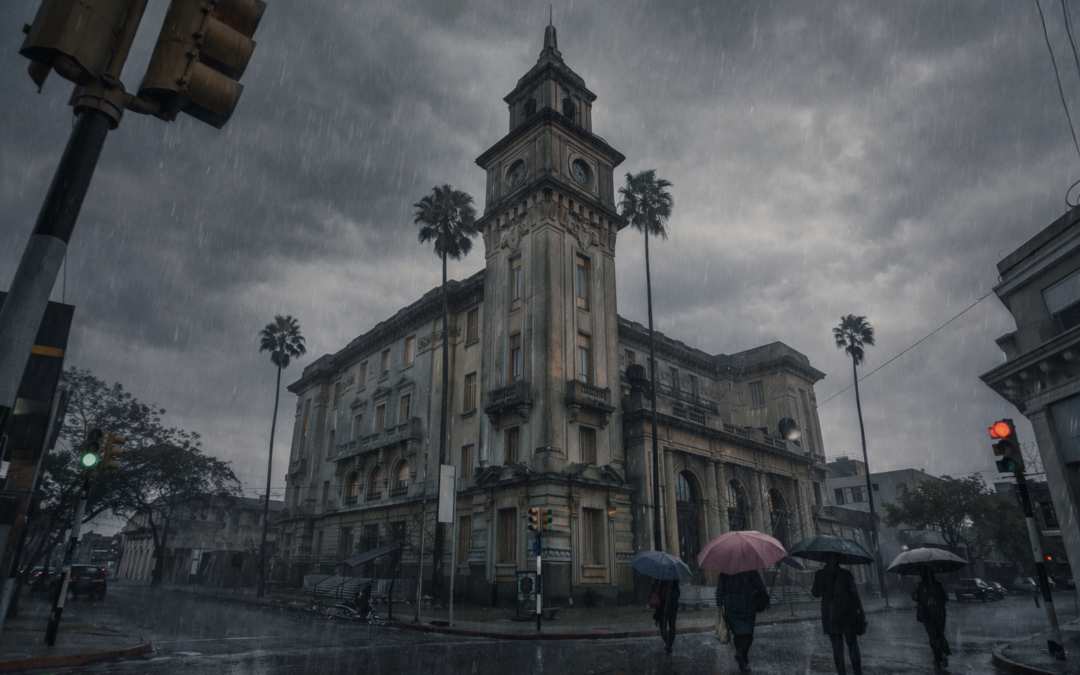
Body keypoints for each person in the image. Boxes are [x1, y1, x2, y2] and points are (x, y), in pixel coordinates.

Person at [811, 558, 865, 675]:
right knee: (852, 644)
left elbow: (815, 594)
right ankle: (858, 672)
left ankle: (842, 673)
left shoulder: (820, 575)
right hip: (848, 613)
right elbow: (854, 594)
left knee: (837, 647)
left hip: (831, 615)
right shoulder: (846, 574)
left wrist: (819, 585)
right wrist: (861, 612)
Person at [716, 570, 769, 672]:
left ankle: (741, 657)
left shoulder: (726, 569)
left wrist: (719, 604)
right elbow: (759, 585)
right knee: (748, 633)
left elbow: (720, 587)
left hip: (731, 605)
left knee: (737, 633)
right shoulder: (749, 568)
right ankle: (741, 655)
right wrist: (766, 598)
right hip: (747, 603)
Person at [912, 566, 950, 668]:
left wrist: (915, 591)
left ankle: (937, 658)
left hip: (927, 614)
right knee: (940, 634)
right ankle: (943, 652)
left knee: (932, 636)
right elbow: (945, 598)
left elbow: (916, 599)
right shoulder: (938, 585)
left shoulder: (920, 585)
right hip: (940, 612)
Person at [652, 578, 680, 653]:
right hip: (666, 602)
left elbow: (654, 587)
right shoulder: (671, 575)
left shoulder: (662, 575)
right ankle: (668, 642)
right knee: (668, 624)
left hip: (667, 602)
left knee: (667, 624)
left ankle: (668, 642)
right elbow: (678, 591)